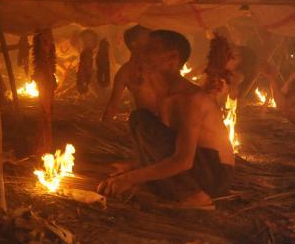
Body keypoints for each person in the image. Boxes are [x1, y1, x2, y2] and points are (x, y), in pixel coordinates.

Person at [98, 30, 234, 209]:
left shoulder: (191, 99)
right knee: (140, 119)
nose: (142, 52)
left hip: (214, 174)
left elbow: (183, 160)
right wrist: (134, 166)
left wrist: (130, 178)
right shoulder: (165, 96)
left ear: (172, 58)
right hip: (197, 166)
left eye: (151, 49)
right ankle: (181, 190)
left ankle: (196, 197)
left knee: (143, 122)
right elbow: (167, 148)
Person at [102, 25, 158, 123]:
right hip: (148, 123)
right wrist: (103, 126)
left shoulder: (160, 66)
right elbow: (112, 105)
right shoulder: (125, 72)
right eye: (147, 39)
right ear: (134, 44)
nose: (152, 43)